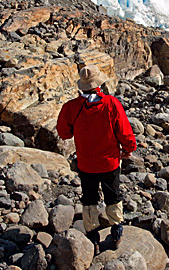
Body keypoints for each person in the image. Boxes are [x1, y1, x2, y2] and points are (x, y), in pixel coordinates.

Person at [56, 64, 136, 254]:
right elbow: (124, 132)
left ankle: (92, 237)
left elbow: (64, 133)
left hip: (86, 164)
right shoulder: (111, 103)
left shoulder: (71, 107)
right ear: (99, 83)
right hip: (109, 162)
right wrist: (128, 149)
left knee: (89, 198)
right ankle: (116, 231)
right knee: (113, 195)